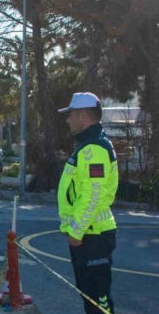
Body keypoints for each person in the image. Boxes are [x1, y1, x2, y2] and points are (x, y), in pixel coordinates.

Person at [57, 92, 119, 314]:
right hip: (89, 234)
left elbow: (93, 195)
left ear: (83, 116)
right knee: (90, 296)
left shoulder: (94, 149)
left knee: (98, 301)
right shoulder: (87, 146)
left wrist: (77, 230)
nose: (68, 120)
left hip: (93, 235)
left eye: (71, 115)